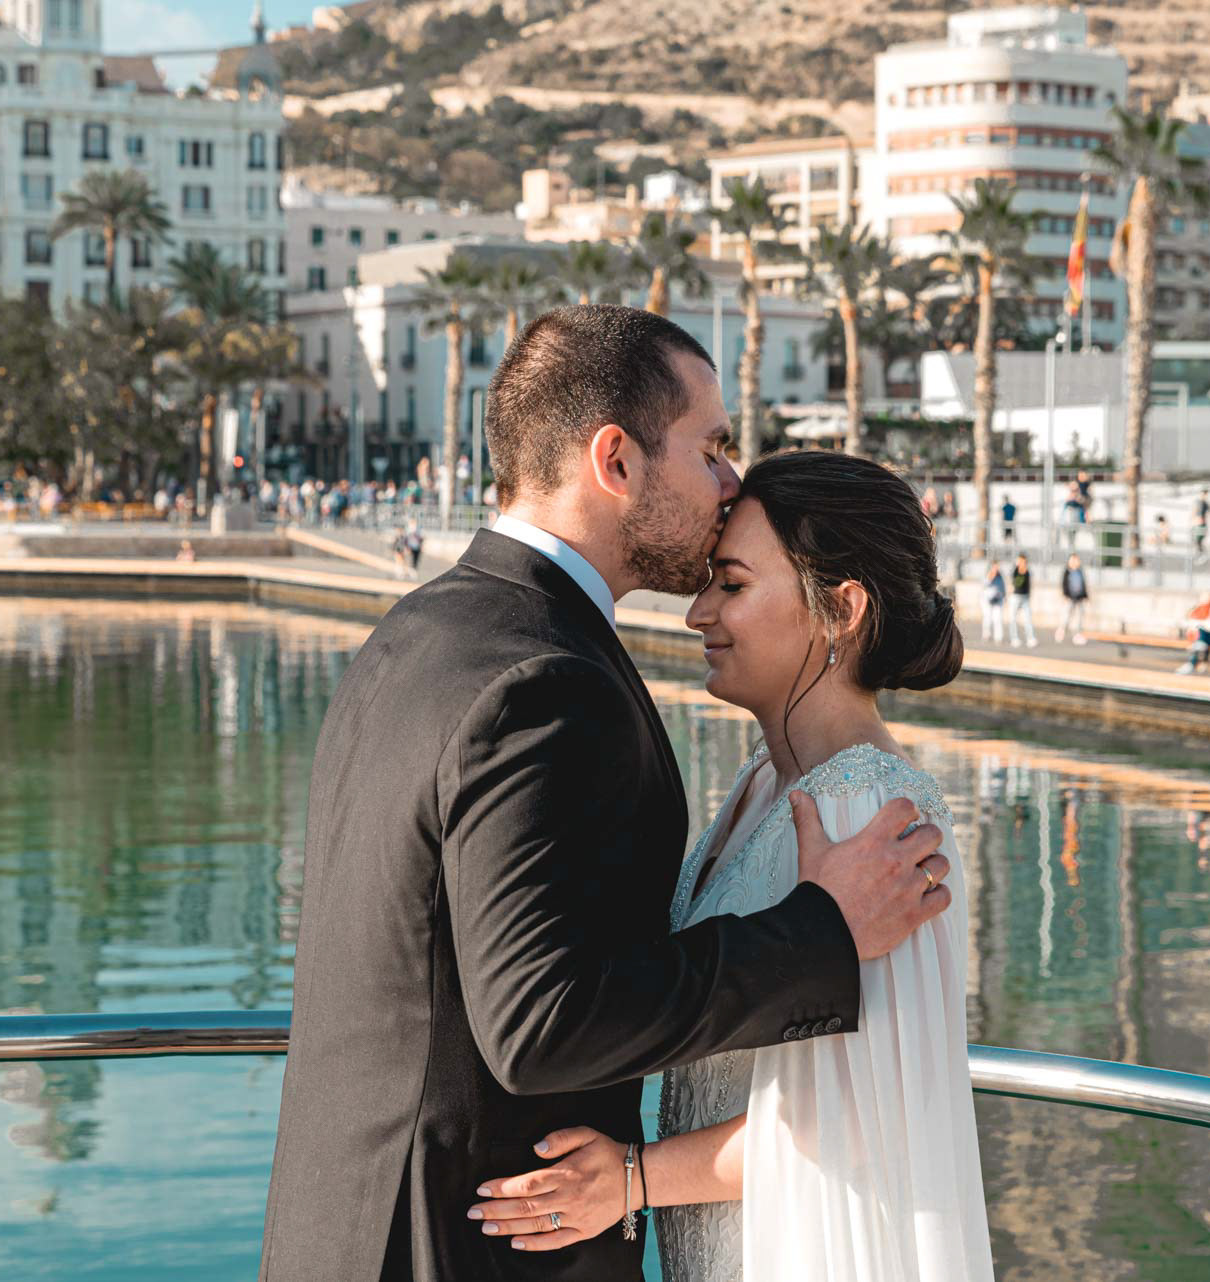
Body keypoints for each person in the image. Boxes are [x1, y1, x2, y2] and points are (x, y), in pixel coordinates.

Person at [259, 306, 952, 1282]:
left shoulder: (421, 632)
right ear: (616, 460)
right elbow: (541, 1018)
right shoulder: (543, 680)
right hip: (460, 1249)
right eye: (711, 447)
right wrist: (821, 930)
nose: (728, 480)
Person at [470, 452, 992, 1281]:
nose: (698, 612)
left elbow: (866, 1118)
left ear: (841, 610)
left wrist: (631, 1180)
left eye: (733, 585)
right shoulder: (763, 782)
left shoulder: (878, 817)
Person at [1057, 553, 1089, 644]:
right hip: (1070, 597)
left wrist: (1086, 595)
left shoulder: (1080, 571)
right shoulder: (1067, 572)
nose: (1075, 562)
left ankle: (1077, 634)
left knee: (1080, 617)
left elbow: (1083, 584)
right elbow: (1064, 584)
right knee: (1066, 615)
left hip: (1079, 597)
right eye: (1073, 560)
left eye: (1076, 560)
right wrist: (1065, 595)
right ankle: (1062, 629)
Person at [1008, 553, 1036, 647]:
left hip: (1025, 597)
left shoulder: (1027, 572)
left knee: (1028, 618)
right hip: (1016, 596)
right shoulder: (1015, 571)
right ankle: (1014, 638)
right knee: (1012, 618)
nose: (1022, 563)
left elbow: (1028, 585)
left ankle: (1030, 637)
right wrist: (1020, 571)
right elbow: (1017, 583)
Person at [981, 560, 1007, 643]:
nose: (996, 569)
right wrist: (991, 575)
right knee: (987, 618)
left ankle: (998, 637)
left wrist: (1004, 597)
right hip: (987, 600)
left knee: (997, 619)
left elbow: (1003, 588)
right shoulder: (987, 575)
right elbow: (984, 584)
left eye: (997, 567)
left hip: (998, 600)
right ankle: (986, 634)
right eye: (994, 567)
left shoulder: (1000, 577)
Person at [1192, 490, 1210, 560]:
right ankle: (1200, 553)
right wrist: (1192, 521)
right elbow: (1194, 512)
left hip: (1202, 523)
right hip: (1198, 523)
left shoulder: (1206, 503)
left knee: (1200, 540)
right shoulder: (1198, 502)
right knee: (1197, 540)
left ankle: (1202, 553)